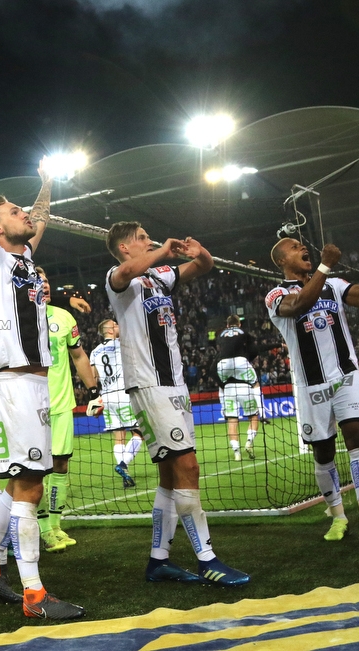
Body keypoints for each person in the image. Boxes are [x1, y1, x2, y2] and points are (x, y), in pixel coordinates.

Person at [0, 101, 85, 620]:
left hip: (34, 381)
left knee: (27, 474)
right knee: (32, 480)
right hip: (14, 380)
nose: (24, 217)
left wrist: (46, 185)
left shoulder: (26, 257)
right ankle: (33, 593)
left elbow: (41, 216)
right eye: (16, 214)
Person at [105, 221, 249, 586]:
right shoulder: (120, 279)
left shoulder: (160, 277)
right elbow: (126, 271)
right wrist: (163, 250)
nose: (148, 240)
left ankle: (159, 560)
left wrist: (201, 254)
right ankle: (207, 559)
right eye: (141, 238)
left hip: (174, 382)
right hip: (149, 383)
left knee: (170, 476)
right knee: (188, 467)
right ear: (125, 246)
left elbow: (202, 268)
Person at [266, 237, 359, 541]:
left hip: (346, 376)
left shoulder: (334, 285)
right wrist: (325, 265)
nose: (303, 248)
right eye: (294, 246)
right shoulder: (276, 294)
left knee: (357, 438)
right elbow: (299, 304)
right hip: (310, 385)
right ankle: (337, 516)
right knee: (323, 453)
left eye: (303, 244)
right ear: (282, 260)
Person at [35, 267, 102, 553]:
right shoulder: (18, 318)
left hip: (61, 405)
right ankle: (37, 528)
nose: (45, 286)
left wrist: (95, 392)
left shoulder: (63, 318)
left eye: (47, 280)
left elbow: (78, 356)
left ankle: (55, 526)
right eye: (39, 282)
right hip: (30, 406)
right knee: (32, 470)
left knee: (60, 465)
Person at [89, 319, 144, 488]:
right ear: (111, 330)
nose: (119, 326)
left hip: (106, 397)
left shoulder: (94, 352)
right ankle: (123, 465)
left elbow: (94, 377)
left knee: (118, 437)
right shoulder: (122, 345)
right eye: (116, 324)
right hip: (123, 394)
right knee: (140, 432)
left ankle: (125, 476)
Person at [215, 315, 277, 461]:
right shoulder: (244, 334)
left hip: (223, 370)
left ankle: (236, 453)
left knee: (232, 420)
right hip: (242, 373)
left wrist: (222, 404)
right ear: (239, 324)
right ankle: (251, 438)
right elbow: (255, 348)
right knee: (255, 398)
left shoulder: (220, 335)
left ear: (227, 325)